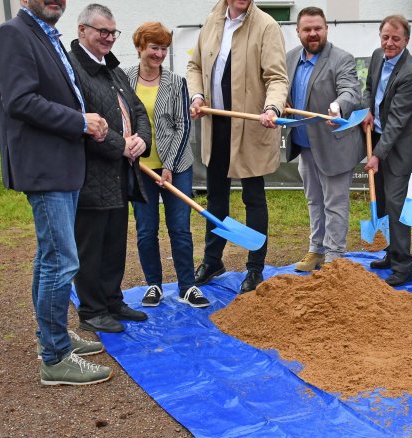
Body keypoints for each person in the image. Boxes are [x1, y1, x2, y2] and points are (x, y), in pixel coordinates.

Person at [0, 0, 112, 385]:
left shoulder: (44, 35)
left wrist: (87, 121)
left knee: (49, 259)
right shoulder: (13, 34)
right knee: (61, 262)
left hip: (59, 164)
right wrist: (80, 121)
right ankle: (56, 358)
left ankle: (52, 335)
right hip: (44, 167)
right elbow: (20, 101)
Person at [188, 0, 289, 294]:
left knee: (253, 198)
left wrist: (272, 107)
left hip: (250, 127)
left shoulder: (266, 26)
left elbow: (277, 77)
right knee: (216, 199)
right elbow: (195, 66)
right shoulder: (211, 21)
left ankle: (254, 268)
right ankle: (212, 260)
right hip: (216, 124)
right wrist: (197, 96)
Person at [68, 4, 151, 333]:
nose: (108, 38)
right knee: (91, 245)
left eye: (112, 32)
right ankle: (92, 310)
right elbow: (81, 125)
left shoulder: (113, 70)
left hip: (120, 173)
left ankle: (112, 300)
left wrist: (142, 139)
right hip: (91, 174)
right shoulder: (73, 70)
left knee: (116, 240)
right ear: (82, 31)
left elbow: (138, 110)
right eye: (102, 31)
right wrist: (122, 146)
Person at [126, 22, 209, 309]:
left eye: (163, 48)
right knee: (147, 230)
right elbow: (122, 121)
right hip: (141, 170)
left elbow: (182, 126)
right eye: (154, 48)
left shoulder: (176, 82)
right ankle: (154, 286)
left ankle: (188, 287)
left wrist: (169, 166)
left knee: (180, 229)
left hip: (177, 166)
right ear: (140, 47)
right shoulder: (124, 80)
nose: (159, 54)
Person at [285, 7, 364, 272]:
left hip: (334, 146)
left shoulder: (342, 59)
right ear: (298, 32)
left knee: (334, 203)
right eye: (307, 29)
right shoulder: (291, 58)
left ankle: (334, 256)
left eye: (318, 28)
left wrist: (339, 107)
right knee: (314, 201)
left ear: (326, 29)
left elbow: (350, 90)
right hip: (305, 145)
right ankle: (316, 250)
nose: (313, 33)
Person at [361, 15, 412, 286]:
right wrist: (367, 109)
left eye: (395, 38)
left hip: (398, 149)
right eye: (385, 37)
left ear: (406, 41)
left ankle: (403, 265)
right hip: (377, 138)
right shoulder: (377, 56)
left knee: (396, 206)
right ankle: (390, 252)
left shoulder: (410, 74)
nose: (389, 43)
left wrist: (377, 154)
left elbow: (397, 122)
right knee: (384, 204)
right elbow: (369, 88)